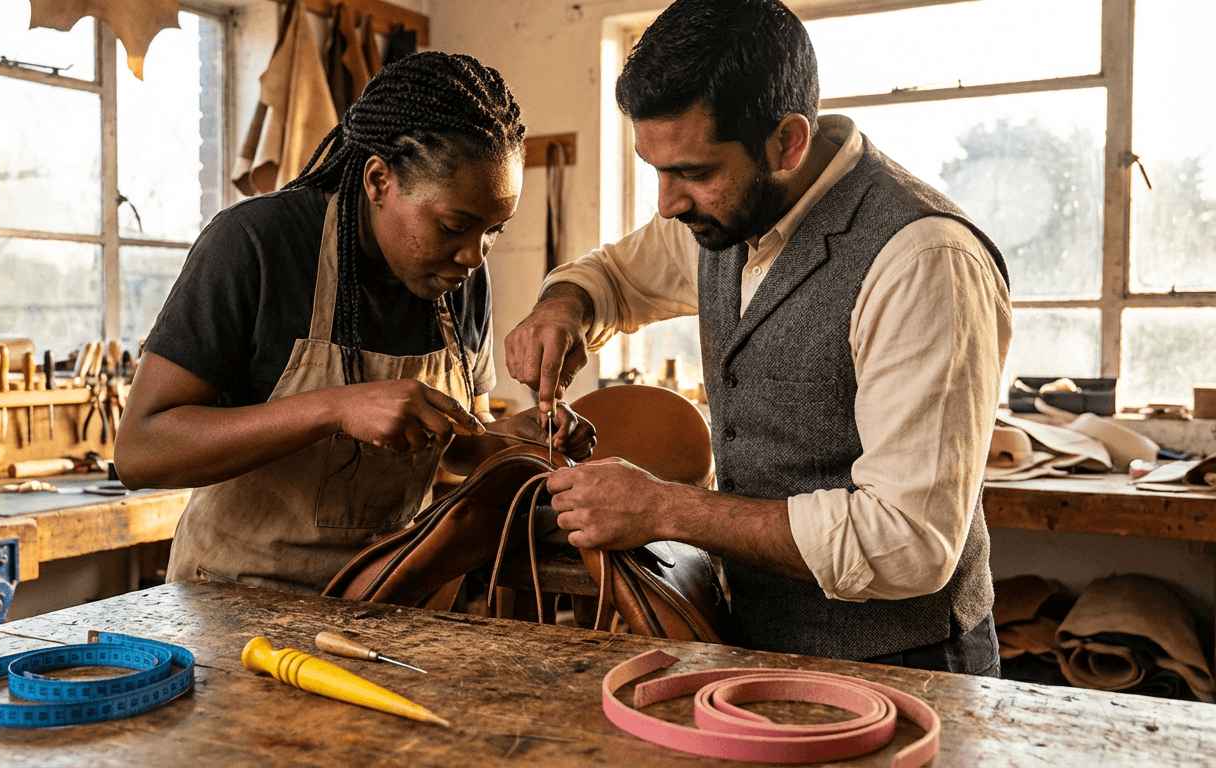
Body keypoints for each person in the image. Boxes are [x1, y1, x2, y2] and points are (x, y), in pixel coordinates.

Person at [505, 0, 1011, 675]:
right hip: (756, 640)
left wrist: (665, 507)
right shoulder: (726, 213)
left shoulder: (923, 259)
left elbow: (909, 542)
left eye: (691, 171)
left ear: (788, 143)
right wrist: (564, 307)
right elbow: (616, 277)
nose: (666, 203)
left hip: (904, 663)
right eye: (655, 169)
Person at [116, 52, 595, 595]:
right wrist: (335, 408)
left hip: (388, 599)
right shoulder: (256, 245)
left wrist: (511, 442)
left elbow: (457, 444)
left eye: (493, 232)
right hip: (239, 605)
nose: (474, 256)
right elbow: (140, 451)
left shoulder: (460, 277)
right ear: (377, 180)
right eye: (453, 225)